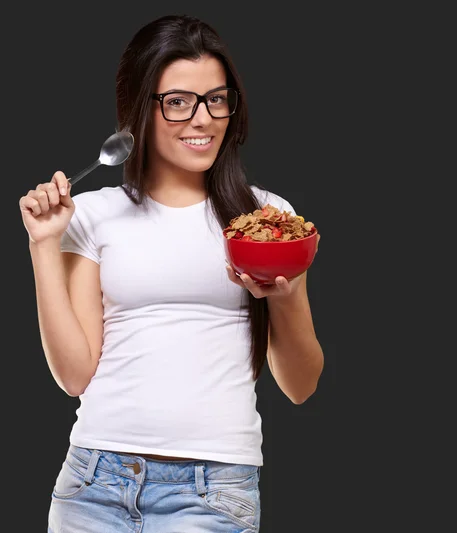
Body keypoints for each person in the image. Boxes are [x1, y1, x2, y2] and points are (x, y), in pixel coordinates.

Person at [19, 14, 323, 533]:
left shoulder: (267, 219)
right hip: (94, 480)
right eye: (178, 101)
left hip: (213, 489)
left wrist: (283, 296)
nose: (202, 119)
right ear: (138, 111)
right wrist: (44, 246)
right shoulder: (93, 214)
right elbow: (73, 376)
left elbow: (301, 385)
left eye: (216, 99)